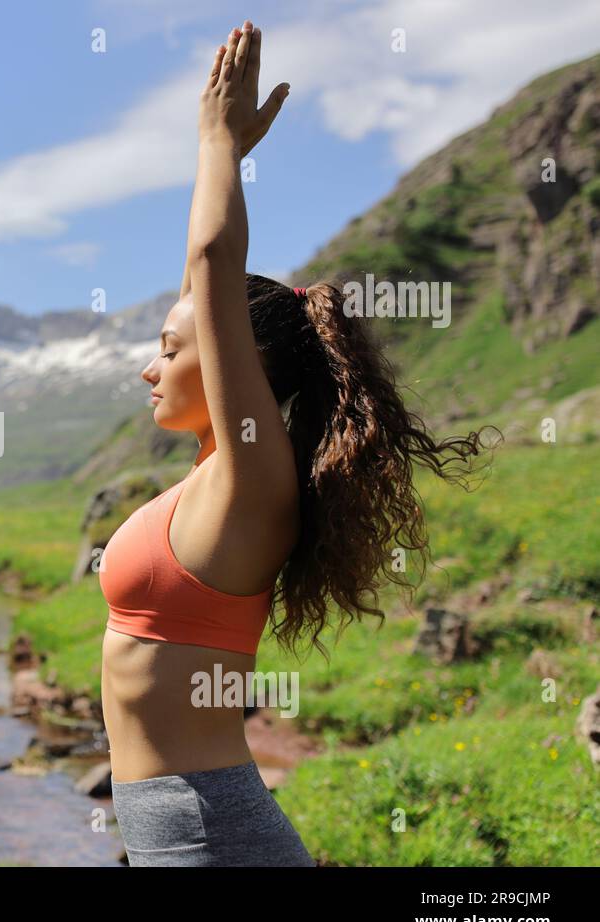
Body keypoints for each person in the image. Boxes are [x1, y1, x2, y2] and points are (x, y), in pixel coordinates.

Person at [99, 20, 498, 866]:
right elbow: (201, 287)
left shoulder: (252, 477)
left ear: (241, 364)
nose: (150, 369)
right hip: (173, 828)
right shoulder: (216, 467)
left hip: (210, 834)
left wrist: (217, 146)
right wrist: (222, 154)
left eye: (170, 351)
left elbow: (213, 265)